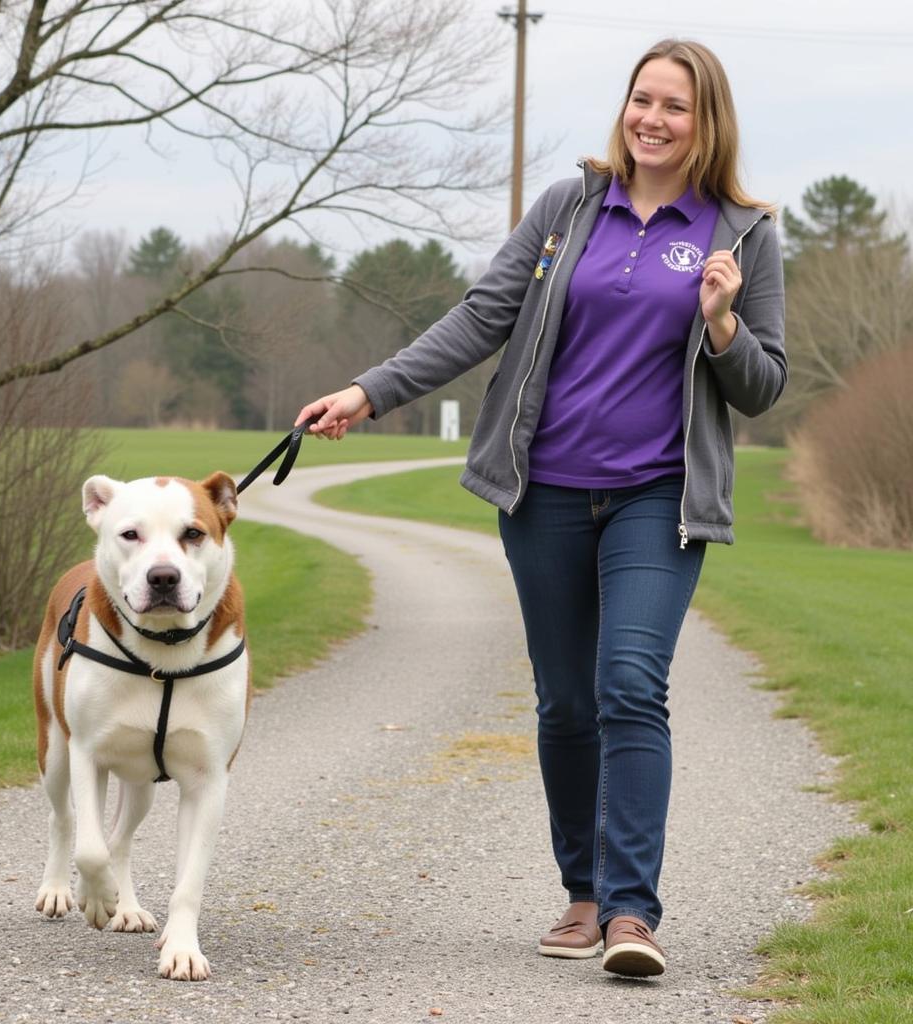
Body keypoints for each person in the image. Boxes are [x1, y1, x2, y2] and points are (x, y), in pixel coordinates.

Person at [295, 38, 786, 978]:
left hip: (658, 497)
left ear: (706, 120)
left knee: (630, 684)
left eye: (674, 106)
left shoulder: (744, 233)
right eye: (642, 99)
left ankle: (634, 915)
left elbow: (763, 386)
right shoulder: (570, 207)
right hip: (546, 491)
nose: (652, 118)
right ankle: (584, 894)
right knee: (567, 702)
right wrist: (369, 392)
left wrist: (721, 321)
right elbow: (483, 316)